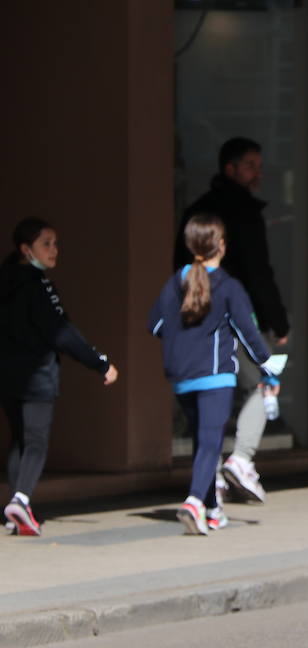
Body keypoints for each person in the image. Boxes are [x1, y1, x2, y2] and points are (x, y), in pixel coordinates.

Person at [176, 137, 290, 502]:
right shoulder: (243, 214)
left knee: (211, 395)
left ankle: (210, 480)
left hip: (197, 324)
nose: (258, 172)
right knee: (264, 382)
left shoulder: (197, 212)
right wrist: (277, 320)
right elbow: (259, 271)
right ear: (231, 168)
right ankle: (240, 459)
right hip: (239, 320)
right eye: (251, 165)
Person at [151, 214, 280, 536]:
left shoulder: (175, 282)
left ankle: (211, 509)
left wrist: (182, 340)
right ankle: (195, 501)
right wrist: (270, 370)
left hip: (182, 376)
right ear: (221, 245)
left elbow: (155, 325)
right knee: (210, 442)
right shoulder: (228, 285)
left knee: (203, 441)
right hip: (215, 376)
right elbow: (248, 333)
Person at [0, 218, 119, 536]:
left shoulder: (6, 280)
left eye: (55, 242)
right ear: (26, 250)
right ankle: (21, 501)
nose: (55, 250)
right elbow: (62, 332)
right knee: (36, 441)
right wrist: (100, 363)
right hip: (36, 375)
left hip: (7, 375)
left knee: (20, 440)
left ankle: (15, 507)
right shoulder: (37, 284)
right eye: (46, 243)